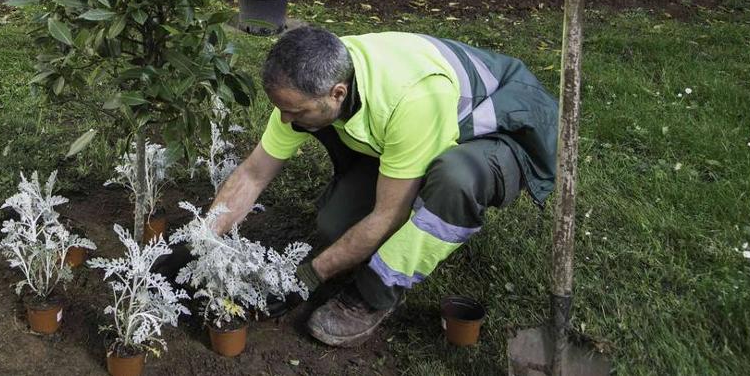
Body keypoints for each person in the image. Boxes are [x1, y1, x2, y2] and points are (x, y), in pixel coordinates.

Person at [205, 26, 556, 347]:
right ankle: (407, 186)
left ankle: (375, 294)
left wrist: (308, 276)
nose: (284, 119)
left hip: (499, 125)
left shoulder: (410, 98)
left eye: (295, 111)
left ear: (337, 93)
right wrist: (203, 237)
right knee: (334, 226)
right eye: (282, 109)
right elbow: (253, 175)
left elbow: (388, 215)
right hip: (413, 130)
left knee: (454, 178)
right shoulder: (307, 86)